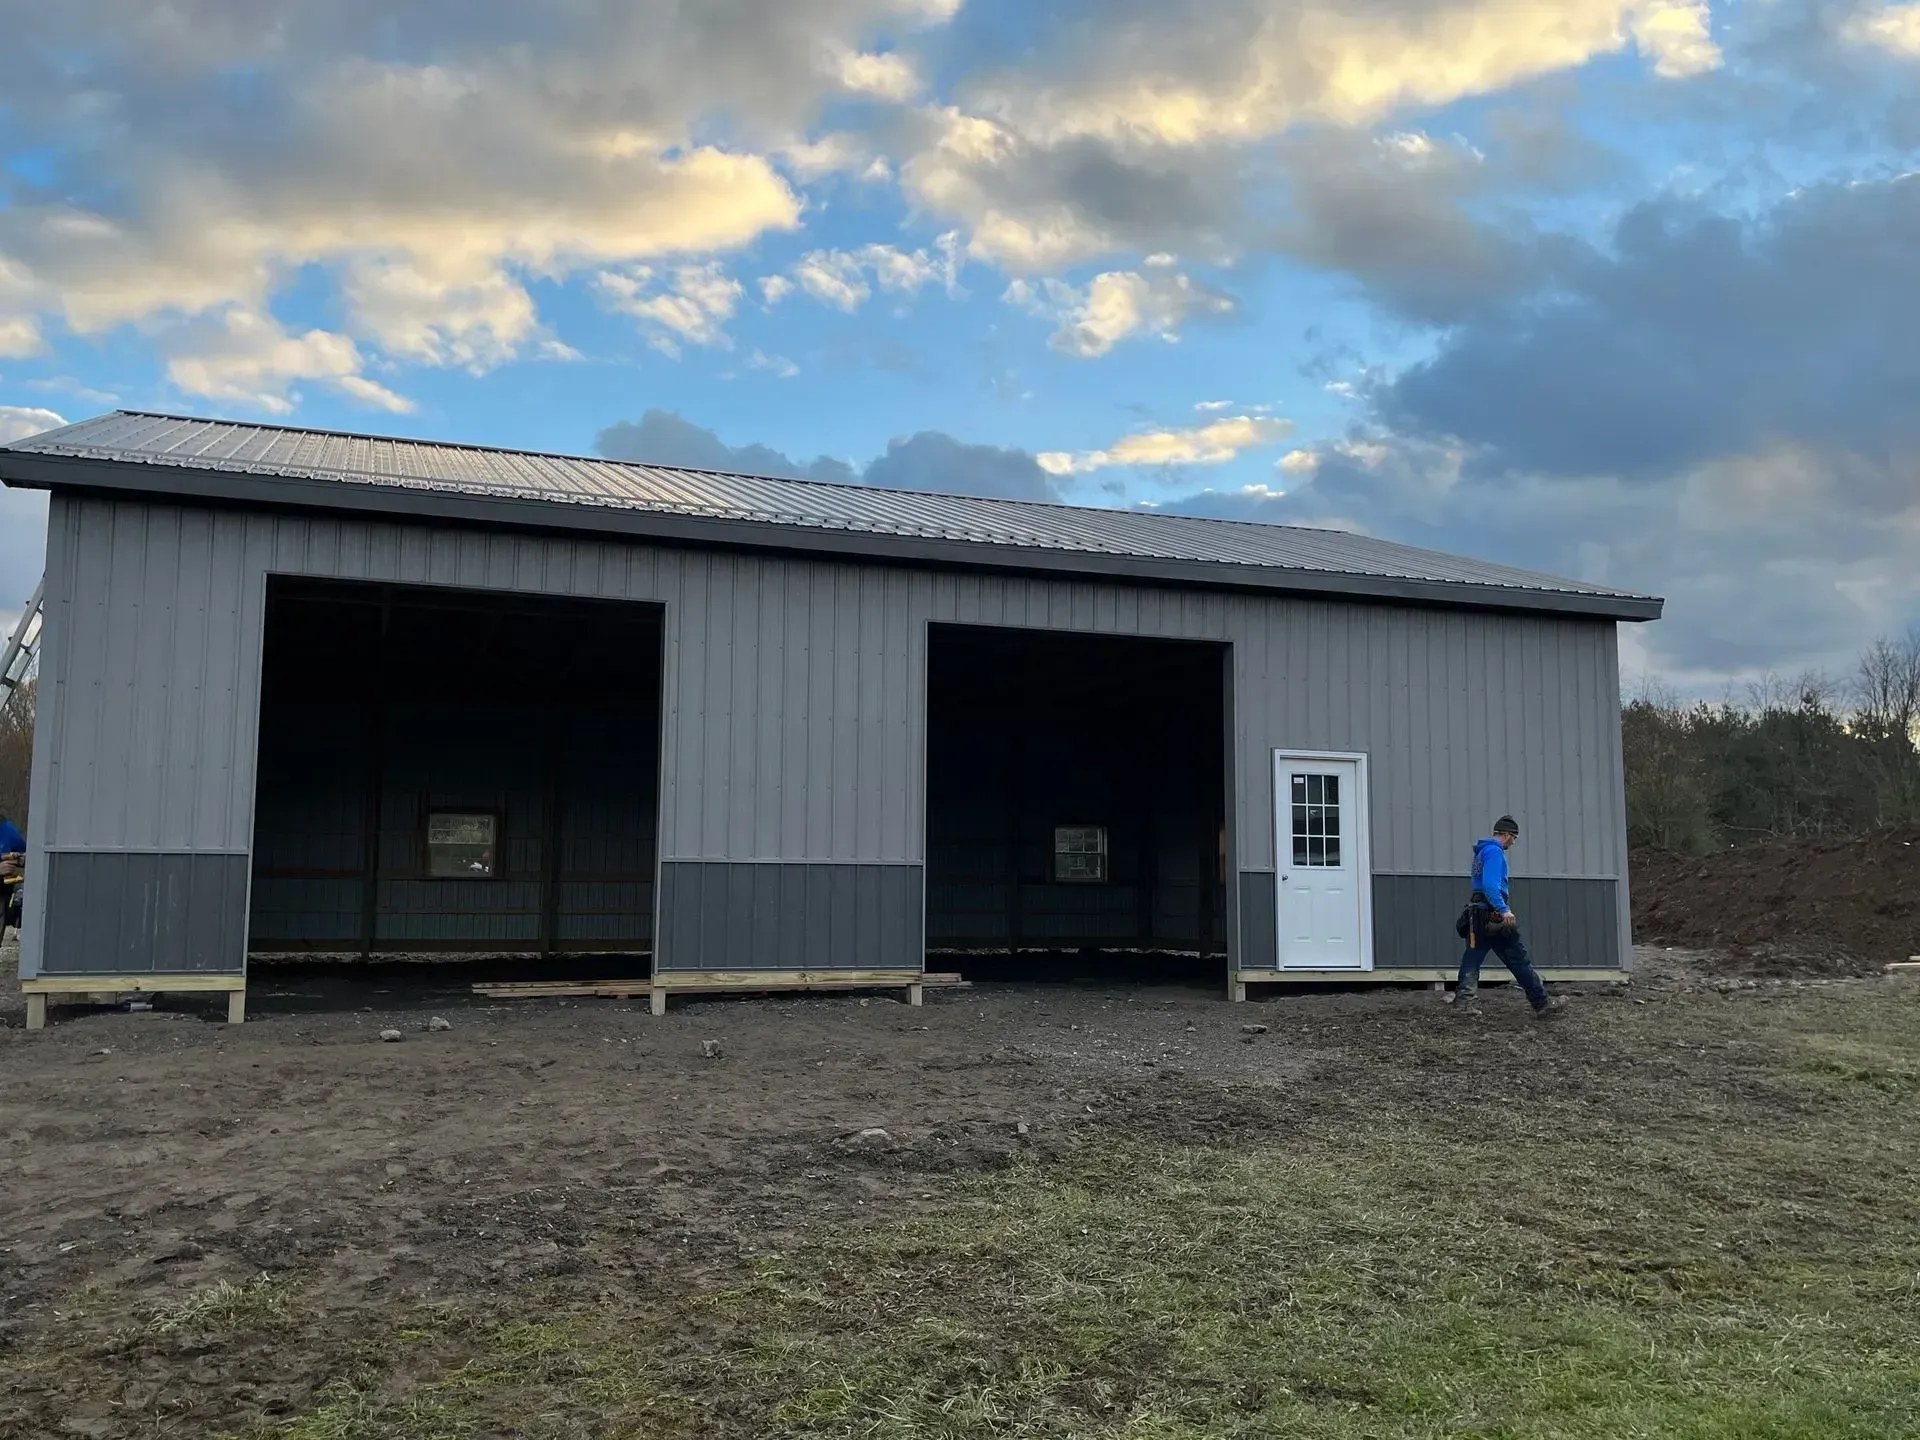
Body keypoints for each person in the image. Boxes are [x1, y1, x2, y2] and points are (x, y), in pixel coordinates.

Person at [1456, 815, 1563, 1018]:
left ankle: (1464, 1002)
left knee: (1472, 958)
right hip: (1493, 915)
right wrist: (1504, 909)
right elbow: (1490, 885)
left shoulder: (1482, 853)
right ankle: (1542, 1003)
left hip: (1477, 914)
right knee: (1518, 959)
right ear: (1505, 835)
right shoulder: (1495, 852)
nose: (1513, 843)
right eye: (1513, 838)